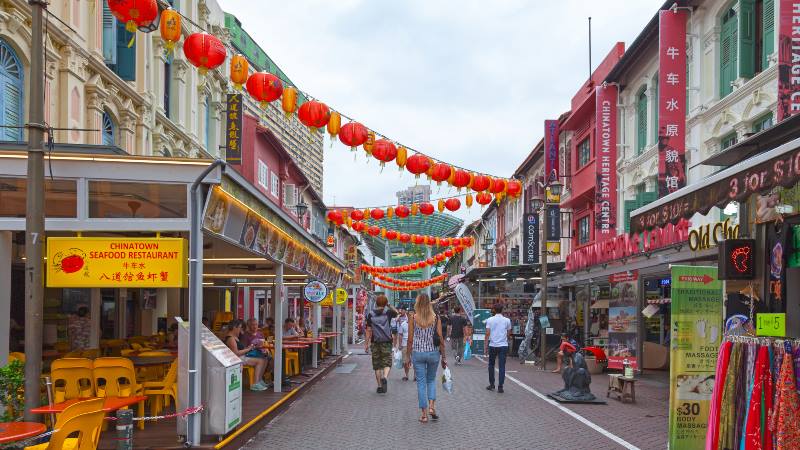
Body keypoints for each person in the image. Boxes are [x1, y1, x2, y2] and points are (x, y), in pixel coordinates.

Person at [405, 294, 447, 423]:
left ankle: (423, 414)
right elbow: (440, 339)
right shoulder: (435, 318)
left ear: (417, 304)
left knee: (421, 383)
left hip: (418, 353)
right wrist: (444, 357)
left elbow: (410, 339)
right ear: (429, 303)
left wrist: (408, 356)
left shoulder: (413, 317)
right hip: (433, 353)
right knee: (431, 380)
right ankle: (432, 407)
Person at [224, 320, 269, 391]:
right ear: (234, 328)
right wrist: (248, 349)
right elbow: (236, 353)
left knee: (265, 358)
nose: (240, 330)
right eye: (239, 328)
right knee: (260, 361)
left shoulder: (234, 337)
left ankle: (259, 380)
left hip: (242, 356)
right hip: (237, 358)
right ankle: (255, 383)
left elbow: (240, 349)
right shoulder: (231, 339)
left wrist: (248, 347)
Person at [365, 295, 397, 393]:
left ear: (376, 303)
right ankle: (385, 377)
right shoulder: (388, 313)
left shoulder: (370, 314)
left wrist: (366, 343)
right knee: (387, 362)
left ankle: (379, 386)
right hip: (386, 341)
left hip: (375, 342)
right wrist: (389, 305)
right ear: (385, 303)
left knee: (377, 365)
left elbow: (369, 330)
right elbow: (397, 312)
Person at [484, 304, 511, 393]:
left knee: (491, 365)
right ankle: (500, 386)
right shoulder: (507, 320)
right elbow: (508, 333)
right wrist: (505, 339)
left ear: (494, 310)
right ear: (502, 310)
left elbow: (487, 333)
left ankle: (492, 384)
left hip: (493, 345)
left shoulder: (489, 320)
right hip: (503, 345)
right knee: (502, 366)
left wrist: (486, 345)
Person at [396, 308, 411, 381]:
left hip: (415, 345)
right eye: (409, 314)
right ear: (407, 315)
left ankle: (415, 376)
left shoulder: (416, 324)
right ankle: (407, 375)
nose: (411, 316)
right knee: (405, 361)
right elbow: (400, 335)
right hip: (405, 345)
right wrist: (400, 345)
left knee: (416, 362)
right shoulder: (403, 324)